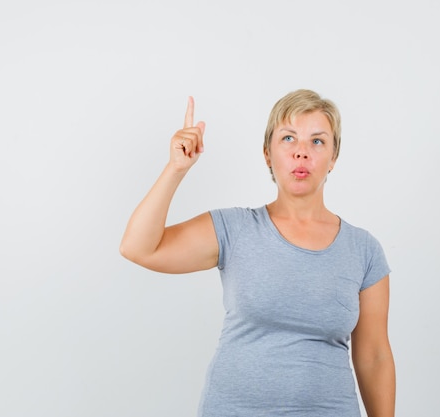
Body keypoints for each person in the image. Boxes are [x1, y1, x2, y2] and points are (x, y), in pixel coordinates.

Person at [120, 89, 395, 416]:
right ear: (268, 153)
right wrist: (176, 168)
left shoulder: (364, 250)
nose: (301, 153)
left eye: (317, 141)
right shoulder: (234, 229)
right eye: (289, 138)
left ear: (333, 157)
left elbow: (374, 355)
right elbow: (138, 248)